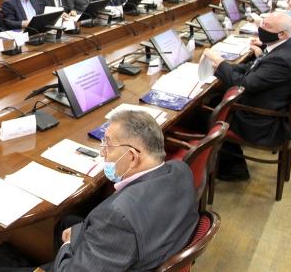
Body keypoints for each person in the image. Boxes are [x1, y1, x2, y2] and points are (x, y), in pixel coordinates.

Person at [50, 111, 198, 271]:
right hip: (155, 243)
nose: (102, 153)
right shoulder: (181, 169)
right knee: (67, 222)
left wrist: (67, 244)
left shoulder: (117, 216)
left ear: (132, 157)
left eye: (108, 145)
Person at [203, 12, 291, 180]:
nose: (261, 28)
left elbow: (244, 85)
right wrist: (225, 67)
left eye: (267, 26)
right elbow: (252, 68)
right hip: (266, 105)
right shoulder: (283, 48)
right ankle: (229, 163)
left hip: (261, 121)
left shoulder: (281, 60)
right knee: (213, 99)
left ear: (282, 34)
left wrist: (220, 63)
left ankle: (231, 169)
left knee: (204, 113)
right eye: (262, 23)